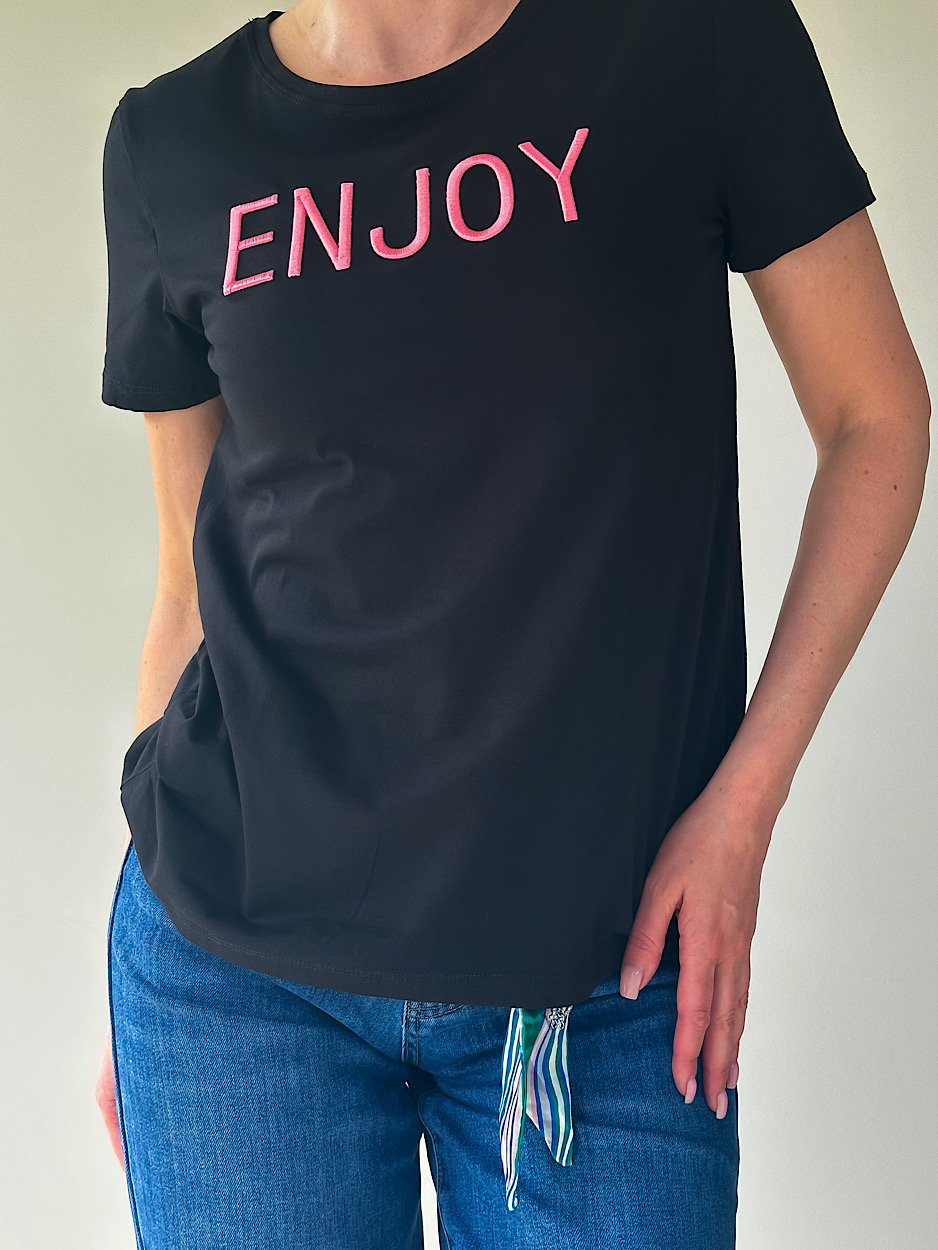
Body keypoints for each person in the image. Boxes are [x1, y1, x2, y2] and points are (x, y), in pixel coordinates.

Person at [93, 1, 930, 1246]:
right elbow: (188, 583)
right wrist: (151, 946)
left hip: (606, 980)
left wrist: (741, 808)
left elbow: (875, 417)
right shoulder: (171, 142)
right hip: (236, 983)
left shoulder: (689, 37)